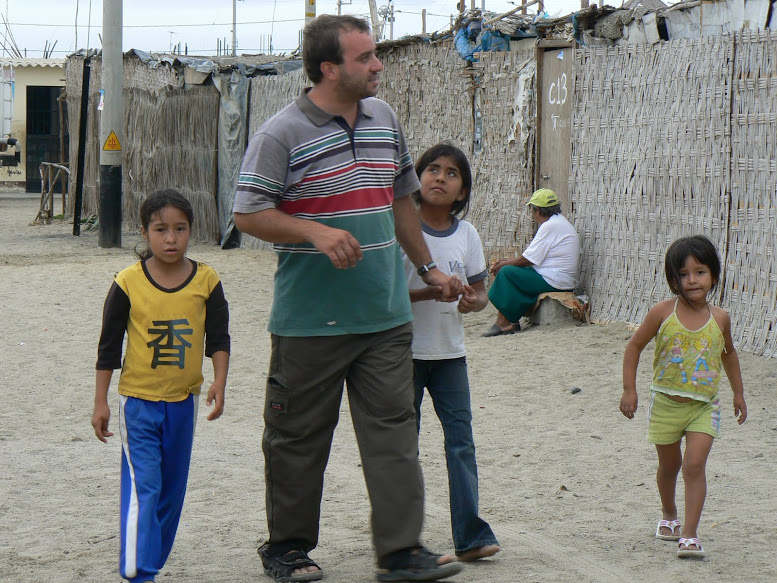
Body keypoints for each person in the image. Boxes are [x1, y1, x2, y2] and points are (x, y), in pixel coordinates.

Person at [232, 14, 464, 583]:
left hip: (385, 318)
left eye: (375, 54)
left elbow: (402, 200)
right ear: (330, 68)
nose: (378, 65)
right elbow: (246, 212)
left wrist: (428, 268)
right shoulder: (279, 133)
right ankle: (286, 549)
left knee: (393, 435)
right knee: (297, 440)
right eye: (366, 58)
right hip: (309, 323)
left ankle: (401, 551)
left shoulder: (384, 119)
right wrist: (313, 231)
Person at [92, 189, 231, 583]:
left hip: (182, 405)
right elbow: (108, 348)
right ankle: (139, 573)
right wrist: (101, 402)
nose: (171, 238)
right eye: (161, 229)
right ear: (145, 232)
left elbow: (218, 339)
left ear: (191, 231)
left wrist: (220, 380)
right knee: (146, 489)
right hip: (138, 405)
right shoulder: (127, 282)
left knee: (171, 495)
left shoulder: (207, 280)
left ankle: (149, 560)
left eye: (180, 229)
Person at [620, 235, 747, 558]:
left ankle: (690, 535)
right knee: (669, 466)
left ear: (714, 276)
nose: (693, 280)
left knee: (693, 465)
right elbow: (634, 346)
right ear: (673, 279)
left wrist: (738, 393)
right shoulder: (662, 313)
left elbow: (729, 355)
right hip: (665, 403)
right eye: (684, 274)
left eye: (700, 272)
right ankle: (669, 514)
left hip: (704, 406)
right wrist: (629, 389)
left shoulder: (720, 318)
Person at [403, 143, 501, 562]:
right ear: (416, 178)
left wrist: (471, 302)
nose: (440, 178)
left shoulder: (467, 234)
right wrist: (432, 291)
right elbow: (387, 295)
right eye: (432, 169)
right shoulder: (402, 229)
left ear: (462, 191)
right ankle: (406, 541)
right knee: (403, 448)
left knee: (461, 443)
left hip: (450, 356)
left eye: (452, 174)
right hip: (402, 356)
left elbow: (481, 293)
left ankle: (470, 536)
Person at [483, 188, 579, 336]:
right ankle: (511, 322)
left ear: (538, 211)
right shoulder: (557, 223)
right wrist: (507, 262)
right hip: (554, 277)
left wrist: (504, 264)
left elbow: (527, 260)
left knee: (506, 273)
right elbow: (532, 258)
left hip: (556, 280)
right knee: (510, 271)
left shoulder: (550, 226)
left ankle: (504, 323)